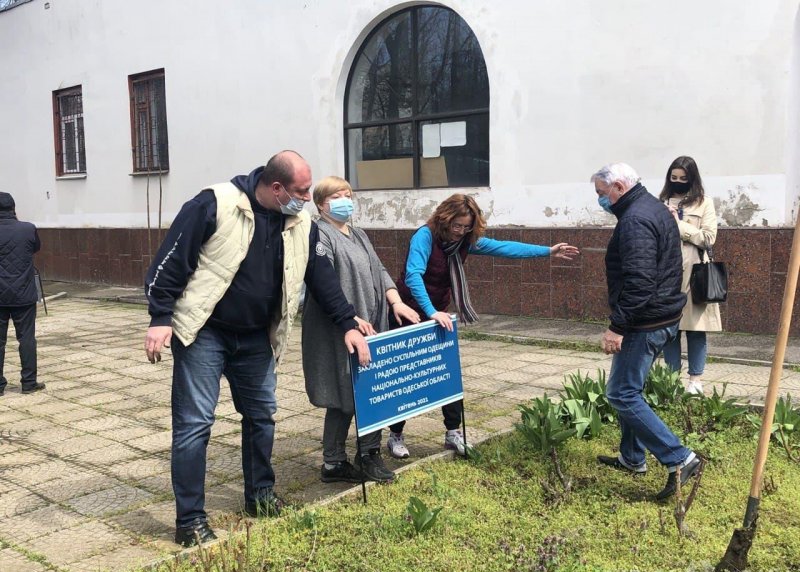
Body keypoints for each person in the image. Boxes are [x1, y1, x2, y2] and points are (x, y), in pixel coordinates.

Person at [144, 151, 371, 547]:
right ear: (277, 187)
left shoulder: (301, 223)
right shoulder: (215, 204)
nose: (306, 199)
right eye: (301, 192)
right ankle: (191, 520)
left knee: (262, 417)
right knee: (194, 426)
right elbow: (170, 261)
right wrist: (161, 316)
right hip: (205, 334)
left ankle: (260, 497)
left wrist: (348, 324)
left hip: (256, 338)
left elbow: (321, 278)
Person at [386, 193, 580, 459]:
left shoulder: (464, 242)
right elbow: (413, 275)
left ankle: (453, 432)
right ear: (445, 218)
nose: (461, 232)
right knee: (405, 377)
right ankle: (395, 434)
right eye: (457, 226)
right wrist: (430, 311)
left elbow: (503, 248)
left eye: (466, 228)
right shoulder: (425, 236)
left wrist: (547, 251)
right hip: (407, 313)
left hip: (437, 314)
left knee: (446, 373)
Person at [592, 162, 703, 500]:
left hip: (645, 321)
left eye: (601, 194)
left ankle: (679, 458)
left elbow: (640, 284)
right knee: (628, 387)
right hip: (662, 315)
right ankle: (632, 458)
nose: (600, 201)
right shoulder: (652, 207)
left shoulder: (636, 220)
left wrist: (617, 327)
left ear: (620, 187)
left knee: (622, 394)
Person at [302, 176, 420, 484]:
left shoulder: (358, 233)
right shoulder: (320, 234)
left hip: (371, 321)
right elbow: (323, 280)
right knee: (342, 394)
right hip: (337, 327)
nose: (345, 199)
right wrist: (348, 318)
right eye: (337, 195)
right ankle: (333, 463)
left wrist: (396, 302)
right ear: (321, 203)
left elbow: (378, 270)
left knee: (373, 390)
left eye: (348, 194)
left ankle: (369, 454)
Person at [658, 156, 721, 395]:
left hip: (695, 274)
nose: (678, 182)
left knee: (696, 329)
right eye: (674, 178)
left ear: (692, 179)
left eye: (683, 179)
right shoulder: (662, 201)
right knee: (669, 329)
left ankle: (695, 380)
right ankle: (671, 379)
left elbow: (708, 238)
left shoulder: (704, 203)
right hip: (667, 273)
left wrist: (678, 224)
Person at [0, 192, 45, 396]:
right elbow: (35, 248)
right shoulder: (28, 229)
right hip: (24, 294)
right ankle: (28, 382)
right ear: (13, 208)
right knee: (27, 338)